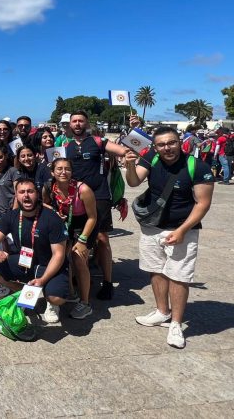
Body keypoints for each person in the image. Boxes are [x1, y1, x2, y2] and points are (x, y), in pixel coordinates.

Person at [124, 126, 214, 348]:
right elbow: (134, 182)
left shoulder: (197, 166)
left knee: (179, 276)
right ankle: (162, 311)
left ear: (180, 142)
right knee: (156, 270)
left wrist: (182, 230)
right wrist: (129, 165)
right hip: (152, 226)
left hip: (183, 229)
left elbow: (203, 203)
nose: (167, 148)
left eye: (171, 142)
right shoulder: (151, 158)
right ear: (155, 146)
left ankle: (175, 323)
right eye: (161, 144)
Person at [65, 110, 131, 300]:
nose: (78, 124)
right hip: (75, 196)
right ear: (70, 124)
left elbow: (123, 151)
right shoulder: (65, 146)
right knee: (76, 237)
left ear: (87, 123)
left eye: (81, 121)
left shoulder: (98, 141)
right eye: (74, 121)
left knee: (102, 238)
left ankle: (108, 282)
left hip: (99, 195)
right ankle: (80, 276)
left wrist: (130, 144)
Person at [0, 179, 70, 324]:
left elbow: (59, 254)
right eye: (22, 192)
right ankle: (23, 291)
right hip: (26, 262)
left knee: (57, 298)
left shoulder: (52, 218)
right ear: (16, 196)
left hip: (49, 265)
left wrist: (42, 280)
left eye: (30, 191)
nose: (26, 195)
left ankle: (51, 302)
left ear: (37, 194)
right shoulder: (11, 216)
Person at [43, 158, 97, 319]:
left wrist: (82, 240)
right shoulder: (48, 187)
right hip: (64, 223)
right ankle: (71, 293)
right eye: (59, 169)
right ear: (52, 172)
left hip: (84, 224)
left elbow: (93, 217)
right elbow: (43, 204)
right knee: (59, 256)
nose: (63, 172)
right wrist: (54, 212)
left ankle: (85, 304)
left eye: (67, 169)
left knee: (78, 258)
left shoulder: (83, 189)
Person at [0, 146, 16, 213]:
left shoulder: (13, 171)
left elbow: (18, 193)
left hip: (10, 211)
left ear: (6, 156)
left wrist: (14, 211)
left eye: (0, 157)